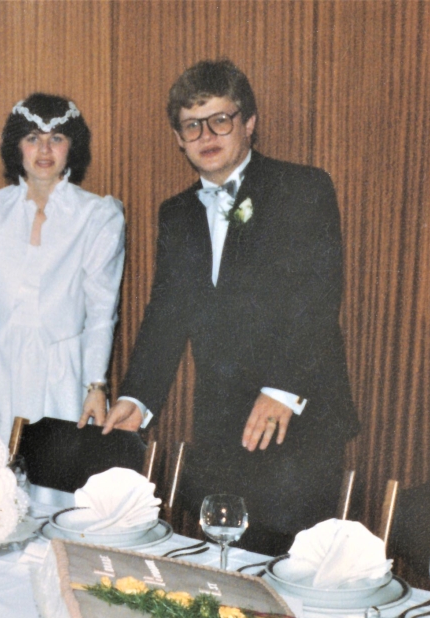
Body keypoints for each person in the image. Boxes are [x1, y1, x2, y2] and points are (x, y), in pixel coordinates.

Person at [103, 60, 359, 555]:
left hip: (298, 417)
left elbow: (318, 297)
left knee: (292, 568)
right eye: (191, 125)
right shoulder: (176, 213)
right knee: (223, 561)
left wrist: (282, 388)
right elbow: (165, 313)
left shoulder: (302, 188)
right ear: (178, 139)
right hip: (220, 424)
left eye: (220, 120)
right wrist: (138, 397)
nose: (206, 136)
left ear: (249, 123)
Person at [0, 93, 126, 443]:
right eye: (33, 138)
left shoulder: (97, 216)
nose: (44, 151)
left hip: (60, 375)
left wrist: (95, 385)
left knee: (52, 470)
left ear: (71, 147)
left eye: (56, 138)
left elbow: (101, 312)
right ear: (17, 146)